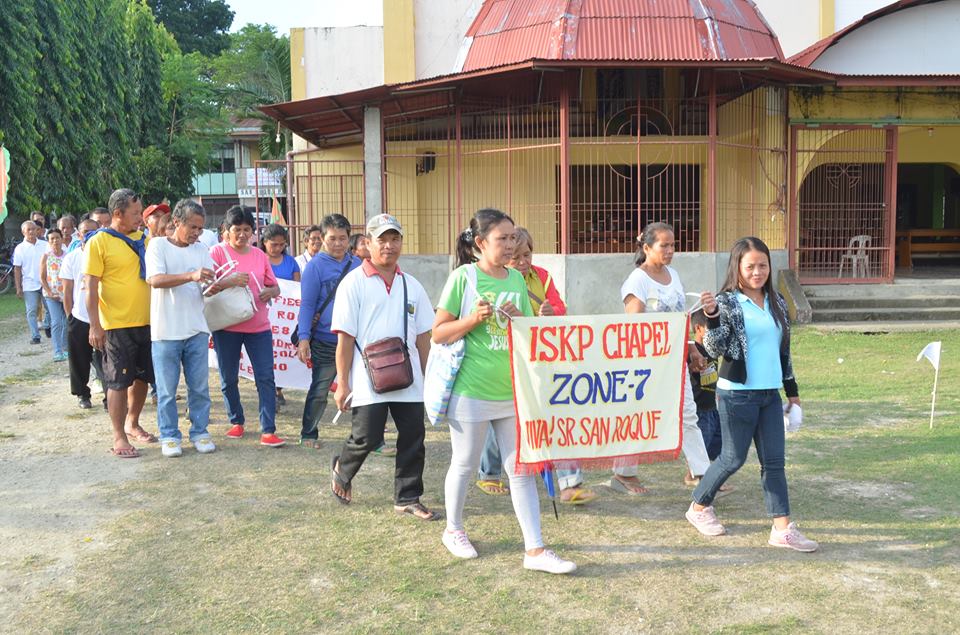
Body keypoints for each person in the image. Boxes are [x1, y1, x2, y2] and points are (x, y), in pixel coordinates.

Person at [433, 208, 576, 574]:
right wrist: (472, 319)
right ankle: (454, 529)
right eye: (503, 239)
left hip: (512, 391)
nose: (511, 245)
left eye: (514, 238)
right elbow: (439, 333)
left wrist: (524, 318)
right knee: (465, 464)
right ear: (480, 243)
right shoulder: (463, 278)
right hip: (470, 390)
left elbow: (528, 333)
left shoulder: (516, 278)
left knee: (521, 470)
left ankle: (536, 550)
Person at [687, 237, 818, 552]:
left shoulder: (777, 302)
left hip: (769, 395)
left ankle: (782, 529)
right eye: (750, 266)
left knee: (774, 462)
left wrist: (793, 396)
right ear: (738, 268)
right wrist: (713, 316)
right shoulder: (727, 301)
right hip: (737, 395)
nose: (757, 272)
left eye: (763, 265)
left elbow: (783, 352)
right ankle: (698, 507)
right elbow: (713, 349)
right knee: (733, 458)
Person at [476, 226, 597, 505]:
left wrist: (550, 312)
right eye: (515, 257)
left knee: (558, 414)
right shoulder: (495, 281)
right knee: (505, 418)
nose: (522, 262)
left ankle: (570, 483)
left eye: (527, 255)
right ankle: (490, 472)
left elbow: (559, 308)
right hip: (507, 359)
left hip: (544, 358)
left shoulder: (542, 276)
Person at [329, 213, 439, 521]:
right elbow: (345, 340)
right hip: (367, 376)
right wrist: (343, 383)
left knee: (414, 437)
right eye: (382, 239)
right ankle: (343, 468)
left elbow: (423, 337)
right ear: (367, 244)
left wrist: (429, 377)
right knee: (366, 436)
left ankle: (408, 496)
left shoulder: (412, 285)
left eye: (395, 239)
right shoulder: (353, 283)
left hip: (409, 376)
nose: (389, 246)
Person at [612, 222, 711, 495]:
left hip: (674, 359)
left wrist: (690, 347)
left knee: (687, 414)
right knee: (635, 415)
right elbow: (633, 325)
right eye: (663, 245)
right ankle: (623, 473)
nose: (670, 251)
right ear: (646, 248)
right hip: (644, 361)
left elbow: (682, 317)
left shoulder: (674, 275)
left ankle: (702, 472)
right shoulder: (637, 280)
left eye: (673, 245)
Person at [83, 188, 156, 458]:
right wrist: (94, 325)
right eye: (136, 213)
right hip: (116, 325)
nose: (141, 218)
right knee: (117, 381)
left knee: (142, 377)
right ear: (117, 214)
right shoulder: (99, 242)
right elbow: (90, 287)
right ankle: (119, 436)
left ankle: (133, 422)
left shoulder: (144, 239)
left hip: (148, 322)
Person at [146, 199, 221, 458]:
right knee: (167, 390)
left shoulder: (201, 250)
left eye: (200, 229)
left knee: (199, 387)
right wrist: (191, 276)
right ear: (176, 222)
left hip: (197, 328)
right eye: (192, 227)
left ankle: (200, 432)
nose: (196, 234)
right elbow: (155, 280)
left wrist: (216, 285)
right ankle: (169, 435)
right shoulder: (157, 246)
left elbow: (205, 286)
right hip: (166, 331)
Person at [209, 206, 285, 447]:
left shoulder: (259, 255)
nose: (242, 234)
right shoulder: (216, 252)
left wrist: (270, 291)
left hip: (258, 326)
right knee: (228, 377)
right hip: (226, 326)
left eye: (247, 229)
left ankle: (268, 429)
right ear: (226, 230)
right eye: (237, 229)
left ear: (253, 232)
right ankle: (236, 421)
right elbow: (205, 288)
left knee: (265, 377)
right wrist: (226, 282)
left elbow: (275, 287)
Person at [297, 214, 360, 449]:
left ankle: (369, 437)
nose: (338, 244)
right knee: (320, 389)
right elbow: (307, 304)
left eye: (343, 238)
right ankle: (308, 434)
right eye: (332, 238)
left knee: (363, 389)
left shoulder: (357, 265)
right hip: (325, 340)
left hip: (355, 340)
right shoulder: (314, 267)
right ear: (322, 238)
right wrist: (304, 338)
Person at [60, 218, 106, 410]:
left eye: (92, 231)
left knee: (105, 360)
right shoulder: (71, 258)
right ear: (78, 235)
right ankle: (82, 394)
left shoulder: (104, 255)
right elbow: (67, 291)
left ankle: (109, 397)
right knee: (79, 359)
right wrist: (70, 316)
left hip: (103, 317)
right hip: (79, 317)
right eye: (85, 231)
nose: (88, 235)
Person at [686, 309, 732, 495]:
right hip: (699, 406)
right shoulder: (693, 350)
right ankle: (693, 475)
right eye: (710, 328)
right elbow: (688, 370)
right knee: (701, 443)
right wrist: (694, 367)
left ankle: (709, 473)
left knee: (717, 442)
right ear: (698, 328)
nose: (715, 332)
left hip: (713, 403)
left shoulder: (713, 348)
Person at [261, 223, 300, 407]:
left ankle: (279, 389)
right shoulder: (259, 259)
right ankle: (268, 389)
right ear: (265, 242)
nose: (278, 248)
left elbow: (297, 288)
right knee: (268, 350)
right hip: (265, 312)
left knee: (282, 349)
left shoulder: (291, 262)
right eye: (273, 245)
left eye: (282, 245)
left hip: (285, 315)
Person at [12, 220, 50, 344]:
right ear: (23, 232)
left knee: (50, 308)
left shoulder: (45, 245)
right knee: (31, 310)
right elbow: (17, 269)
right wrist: (18, 287)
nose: (32, 232)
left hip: (46, 283)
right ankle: (35, 336)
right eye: (28, 230)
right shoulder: (19, 248)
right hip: (29, 284)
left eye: (34, 229)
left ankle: (47, 325)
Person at [39, 227, 69, 361]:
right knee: (56, 322)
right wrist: (50, 293)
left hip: (66, 295)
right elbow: (42, 277)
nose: (55, 240)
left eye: (57, 237)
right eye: (52, 239)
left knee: (67, 322)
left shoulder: (68, 255)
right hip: (51, 296)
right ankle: (57, 351)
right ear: (48, 241)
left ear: (62, 239)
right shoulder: (46, 256)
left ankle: (65, 348)